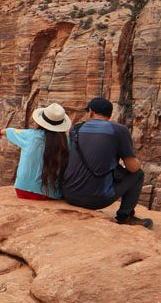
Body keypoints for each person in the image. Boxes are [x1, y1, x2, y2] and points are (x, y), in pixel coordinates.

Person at [61, 97, 153, 229]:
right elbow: (132, 168)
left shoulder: (76, 129)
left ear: (91, 112)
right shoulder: (119, 130)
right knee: (138, 174)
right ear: (110, 114)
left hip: (68, 194)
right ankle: (125, 216)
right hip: (96, 200)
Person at [0, 102, 71, 200]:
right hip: (51, 194)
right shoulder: (66, 142)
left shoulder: (30, 135)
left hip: (23, 190)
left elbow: (10, 131)